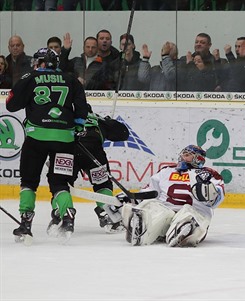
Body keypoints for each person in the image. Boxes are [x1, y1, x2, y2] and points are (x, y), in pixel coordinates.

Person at [5, 48, 88, 243]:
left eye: (37, 62)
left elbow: (11, 104)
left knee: (29, 181)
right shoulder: (71, 80)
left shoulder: (30, 77)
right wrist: (76, 127)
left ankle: (26, 222)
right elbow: (82, 110)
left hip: (37, 138)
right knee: (60, 182)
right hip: (65, 140)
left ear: (42, 63)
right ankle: (67, 215)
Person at [119, 145, 225, 247]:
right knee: (155, 206)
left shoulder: (208, 174)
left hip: (194, 213)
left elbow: (218, 196)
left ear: (198, 159)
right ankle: (140, 226)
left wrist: (210, 194)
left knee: (188, 214)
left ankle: (187, 229)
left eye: (188, 155)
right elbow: (150, 192)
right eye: (183, 154)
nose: (183, 157)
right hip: (165, 213)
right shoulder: (166, 171)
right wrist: (133, 199)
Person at [54, 104, 130, 234]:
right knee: (102, 184)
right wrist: (109, 123)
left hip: (67, 150)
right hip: (94, 151)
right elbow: (123, 134)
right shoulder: (97, 119)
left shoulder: (62, 116)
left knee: (60, 184)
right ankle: (107, 214)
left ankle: (62, 214)